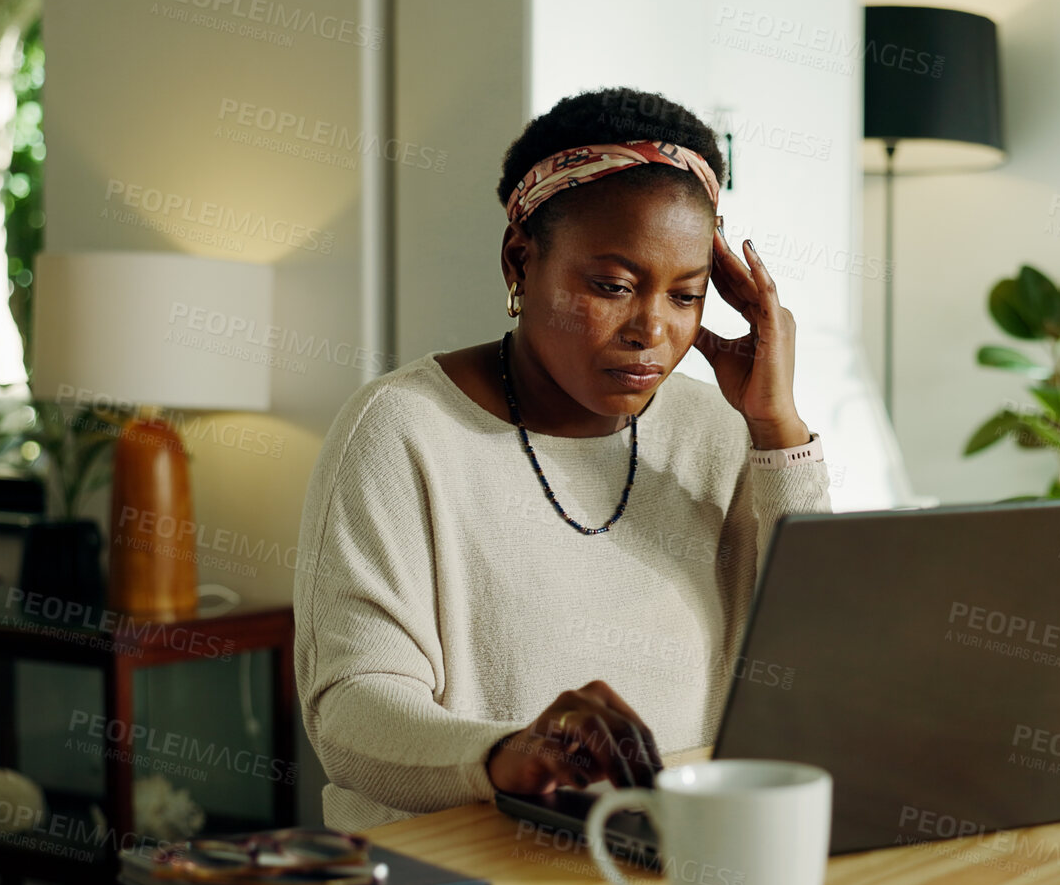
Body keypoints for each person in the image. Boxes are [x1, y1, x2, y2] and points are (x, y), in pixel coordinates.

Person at [294, 87, 833, 831]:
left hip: (678, 856)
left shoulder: (721, 431)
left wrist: (778, 430)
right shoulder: (403, 430)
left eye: (686, 295)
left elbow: (819, 665)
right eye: (611, 286)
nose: (651, 329)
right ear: (520, 262)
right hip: (457, 878)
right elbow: (350, 713)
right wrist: (502, 755)